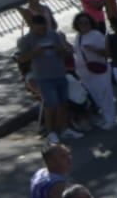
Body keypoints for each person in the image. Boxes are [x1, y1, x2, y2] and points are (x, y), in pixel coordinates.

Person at [16, 12, 78, 143]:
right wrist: (34, 53)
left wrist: (60, 50)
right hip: (44, 77)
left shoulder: (53, 35)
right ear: (32, 26)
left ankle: (64, 129)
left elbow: (65, 53)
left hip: (59, 73)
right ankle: (51, 132)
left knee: (63, 103)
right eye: (40, 29)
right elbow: (21, 59)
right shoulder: (26, 40)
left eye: (44, 28)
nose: (43, 31)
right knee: (51, 105)